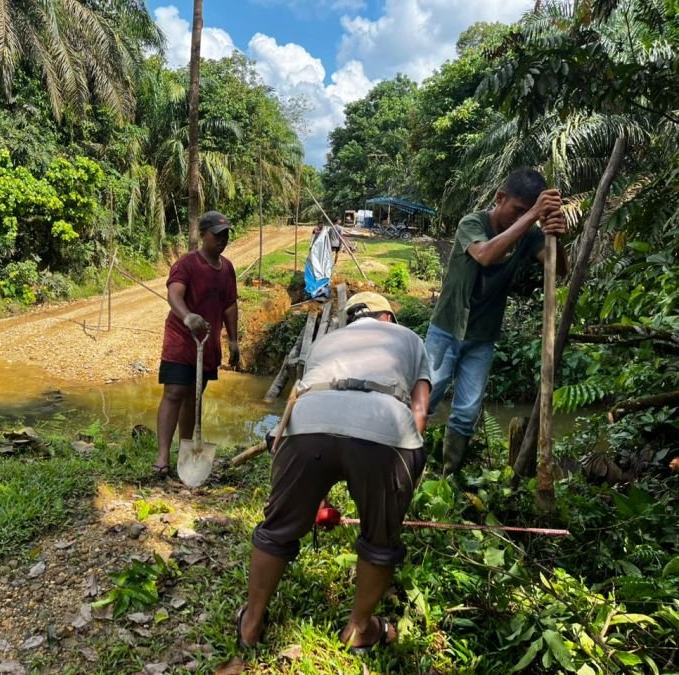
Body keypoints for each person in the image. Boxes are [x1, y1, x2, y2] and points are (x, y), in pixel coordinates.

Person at [237, 292, 431, 652]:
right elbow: (419, 412)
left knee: (276, 531)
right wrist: (400, 479)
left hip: (309, 422)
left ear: (350, 320)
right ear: (387, 318)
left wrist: (316, 498)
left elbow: (303, 403)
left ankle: (250, 623)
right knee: (379, 540)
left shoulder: (326, 342)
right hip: (385, 427)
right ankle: (360, 629)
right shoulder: (410, 339)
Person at [426, 167, 569, 474]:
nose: (520, 218)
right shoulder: (472, 223)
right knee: (425, 400)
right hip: (447, 330)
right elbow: (486, 255)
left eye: (526, 212)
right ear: (500, 198)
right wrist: (532, 216)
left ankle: (447, 478)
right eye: (517, 210)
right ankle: (402, 464)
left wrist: (555, 234)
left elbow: (558, 270)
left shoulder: (529, 236)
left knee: (466, 412)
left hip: (482, 337)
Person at [154, 211, 239, 477]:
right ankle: (162, 456)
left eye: (225, 235)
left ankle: (186, 451)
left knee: (194, 397)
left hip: (207, 344)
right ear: (203, 235)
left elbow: (229, 305)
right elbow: (174, 294)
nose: (222, 240)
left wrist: (234, 341)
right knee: (174, 393)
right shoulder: (186, 264)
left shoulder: (226, 268)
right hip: (182, 340)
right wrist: (188, 316)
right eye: (217, 235)